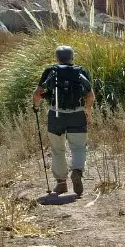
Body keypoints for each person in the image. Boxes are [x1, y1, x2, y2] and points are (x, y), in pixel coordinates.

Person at [32, 45, 95, 196]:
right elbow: (90, 95)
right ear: (71, 57)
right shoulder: (81, 71)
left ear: (57, 58)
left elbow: (37, 94)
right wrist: (88, 110)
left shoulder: (50, 71)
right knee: (79, 147)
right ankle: (77, 171)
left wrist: (35, 106)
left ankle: (61, 184)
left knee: (58, 150)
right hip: (77, 114)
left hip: (56, 115)